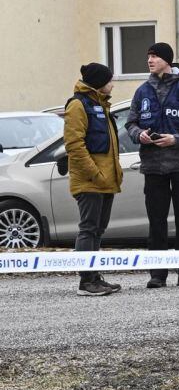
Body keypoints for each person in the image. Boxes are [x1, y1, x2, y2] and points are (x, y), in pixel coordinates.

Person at [125, 42, 179, 289]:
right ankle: (157, 275)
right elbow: (130, 123)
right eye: (148, 56)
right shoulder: (142, 91)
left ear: (167, 60)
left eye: (155, 56)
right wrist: (139, 134)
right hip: (153, 166)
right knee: (156, 221)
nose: (150, 60)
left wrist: (176, 139)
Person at [64, 63, 123, 296]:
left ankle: (94, 276)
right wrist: (95, 174)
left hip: (105, 181)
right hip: (90, 181)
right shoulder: (78, 105)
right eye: (109, 80)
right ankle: (86, 281)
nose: (112, 85)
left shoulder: (100, 104)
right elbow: (74, 145)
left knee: (98, 230)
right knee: (88, 229)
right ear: (99, 83)